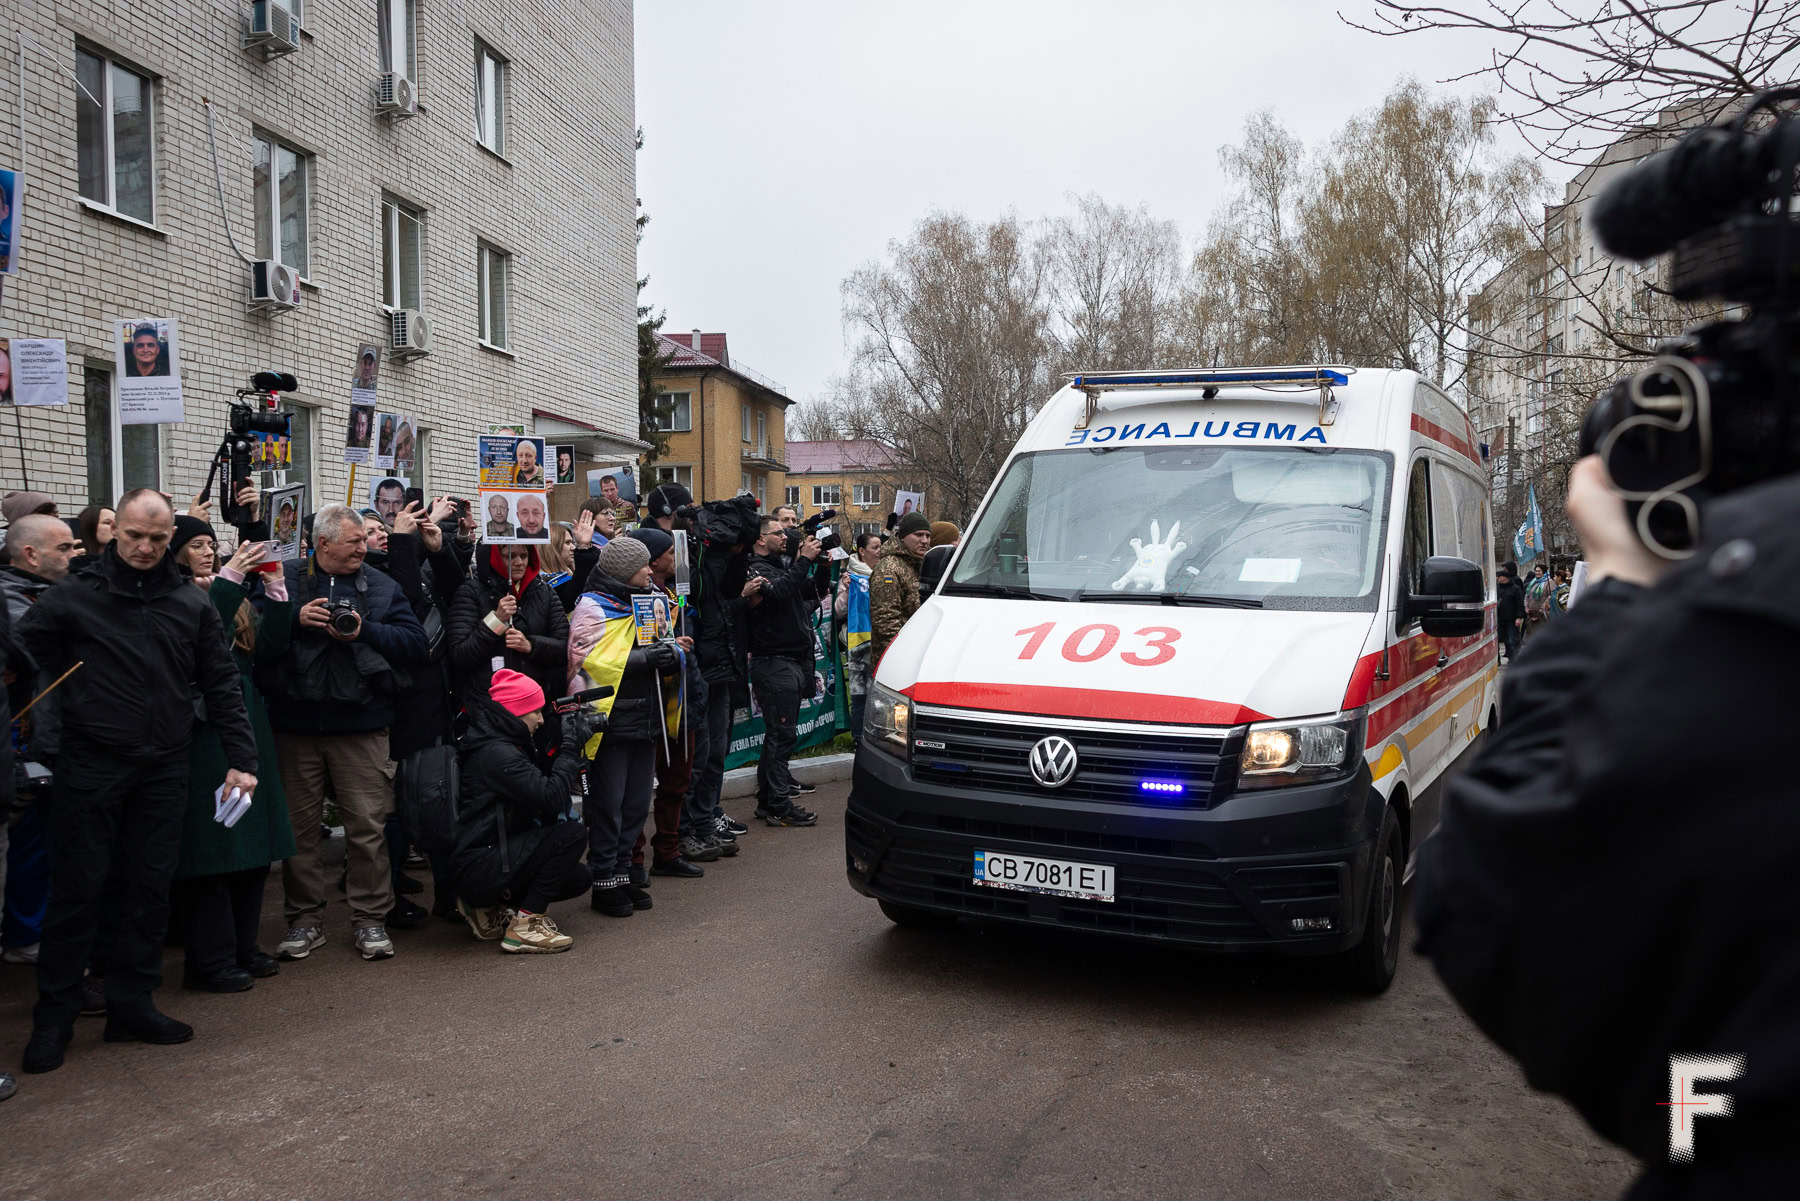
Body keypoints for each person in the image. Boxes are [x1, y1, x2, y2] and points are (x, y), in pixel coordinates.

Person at [1414, 454, 1800, 1195]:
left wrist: (1617, 588)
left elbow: (1483, 895)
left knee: (1691, 1116)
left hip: (1730, 1102)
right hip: (1731, 1081)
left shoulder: (1759, 606)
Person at [16, 491, 257, 1075]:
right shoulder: (74, 597)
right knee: (78, 893)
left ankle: (131, 1005)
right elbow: (24, 657)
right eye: (134, 536)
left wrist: (240, 757)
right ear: (114, 532)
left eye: (156, 538)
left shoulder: (187, 603)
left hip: (164, 767)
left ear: (168, 535)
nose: (145, 548)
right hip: (89, 764)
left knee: (148, 891)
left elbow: (220, 683)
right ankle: (55, 1017)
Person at [261, 504, 429, 964]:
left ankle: (371, 919)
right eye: (354, 541)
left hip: (363, 725)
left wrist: (364, 630)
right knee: (299, 834)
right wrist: (293, 619)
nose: (365, 547)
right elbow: (252, 633)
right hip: (294, 725)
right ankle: (304, 921)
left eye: (364, 539)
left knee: (367, 828)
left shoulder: (380, 584)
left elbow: (415, 644)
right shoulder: (285, 579)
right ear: (322, 544)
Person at [170, 539, 296, 992]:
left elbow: (270, 646)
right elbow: (198, 646)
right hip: (204, 736)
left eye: (211, 544)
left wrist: (276, 587)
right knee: (213, 852)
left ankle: (243, 947)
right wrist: (229, 582)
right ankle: (208, 960)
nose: (208, 551)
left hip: (246, 728)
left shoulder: (230, 590)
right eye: (196, 544)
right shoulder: (176, 595)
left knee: (250, 853)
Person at [567, 537, 683, 916]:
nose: (650, 571)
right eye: (642, 566)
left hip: (647, 717)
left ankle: (624, 871)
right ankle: (604, 880)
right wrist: (648, 657)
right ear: (622, 570)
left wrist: (672, 650)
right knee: (608, 804)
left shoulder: (650, 601)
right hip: (609, 723)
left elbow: (655, 645)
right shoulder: (591, 607)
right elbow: (586, 663)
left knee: (635, 805)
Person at [450, 671, 593, 953]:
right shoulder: (496, 753)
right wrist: (570, 747)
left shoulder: (500, 741)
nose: (540, 720)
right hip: (479, 864)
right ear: (515, 712)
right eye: (535, 712)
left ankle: (485, 906)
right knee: (572, 835)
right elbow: (551, 798)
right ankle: (525, 927)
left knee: (578, 878)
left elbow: (539, 794)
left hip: (483, 856)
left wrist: (557, 743)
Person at [0, 515, 78, 971]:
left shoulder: (55, 595)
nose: (75, 557)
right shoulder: (9, 598)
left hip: (64, 735)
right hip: (24, 739)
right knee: (27, 843)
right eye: (65, 549)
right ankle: (24, 933)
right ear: (31, 554)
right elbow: (32, 648)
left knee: (52, 842)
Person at [624, 526, 722, 879]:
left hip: (679, 699)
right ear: (649, 559)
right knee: (634, 788)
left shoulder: (671, 594)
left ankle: (667, 850)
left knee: (677, 781)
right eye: (668, 554)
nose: (673, 560)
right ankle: (632, 859)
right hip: (646, 704)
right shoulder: (622, 598)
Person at [745, 515, 822, 827]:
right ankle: (779, 804)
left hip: (789, 660)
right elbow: (776, 595)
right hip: (772, 661)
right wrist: (802, 559)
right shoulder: (755, 567)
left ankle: (768, 801)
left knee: (778, 735)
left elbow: (809, 593)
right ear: (762, 538)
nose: (786, 536)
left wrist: (821, 564)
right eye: (779, 532)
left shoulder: (780, 565)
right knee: (781, 735)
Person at [448, 542, 570, 708]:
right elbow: (460, 656)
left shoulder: (545, 592)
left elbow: (564, 647)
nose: (519, 562)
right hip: (490, 705)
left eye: (524, 556)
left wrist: (530, 645)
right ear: (494, 557)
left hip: (537, 702)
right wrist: (496, 621)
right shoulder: (470, 592)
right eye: (510, 556)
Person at [835, 532, 883, 737]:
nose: (879, 551)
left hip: (883, 641)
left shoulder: (886, 573)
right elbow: (837, 611)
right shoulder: (849, 578)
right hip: (859, 644)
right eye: (875, 547)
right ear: (862, 552)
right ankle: (858, 737)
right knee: (860, 693)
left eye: (881, 546)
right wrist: (846, 591)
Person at [870, 512, 930, 667]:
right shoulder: (889, 569)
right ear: (903, 536)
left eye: (928, 536)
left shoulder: (917, 563)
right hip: (896, 661)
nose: (924, 541)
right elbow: (886, 622)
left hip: (916, 653)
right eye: (918, 535)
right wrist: (901, 659)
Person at [1495, 562, 1525, 664]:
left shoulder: (1515, 589)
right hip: (1498, 619)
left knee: (1511, 640)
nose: (1498, 578)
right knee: (1496, 641)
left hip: (1511, 619)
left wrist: (1519, 617)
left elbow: (1520, 604)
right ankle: (1497, 660)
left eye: (1500, 576)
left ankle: (1513, 660)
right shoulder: (1497, 588)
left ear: (1505, 578)